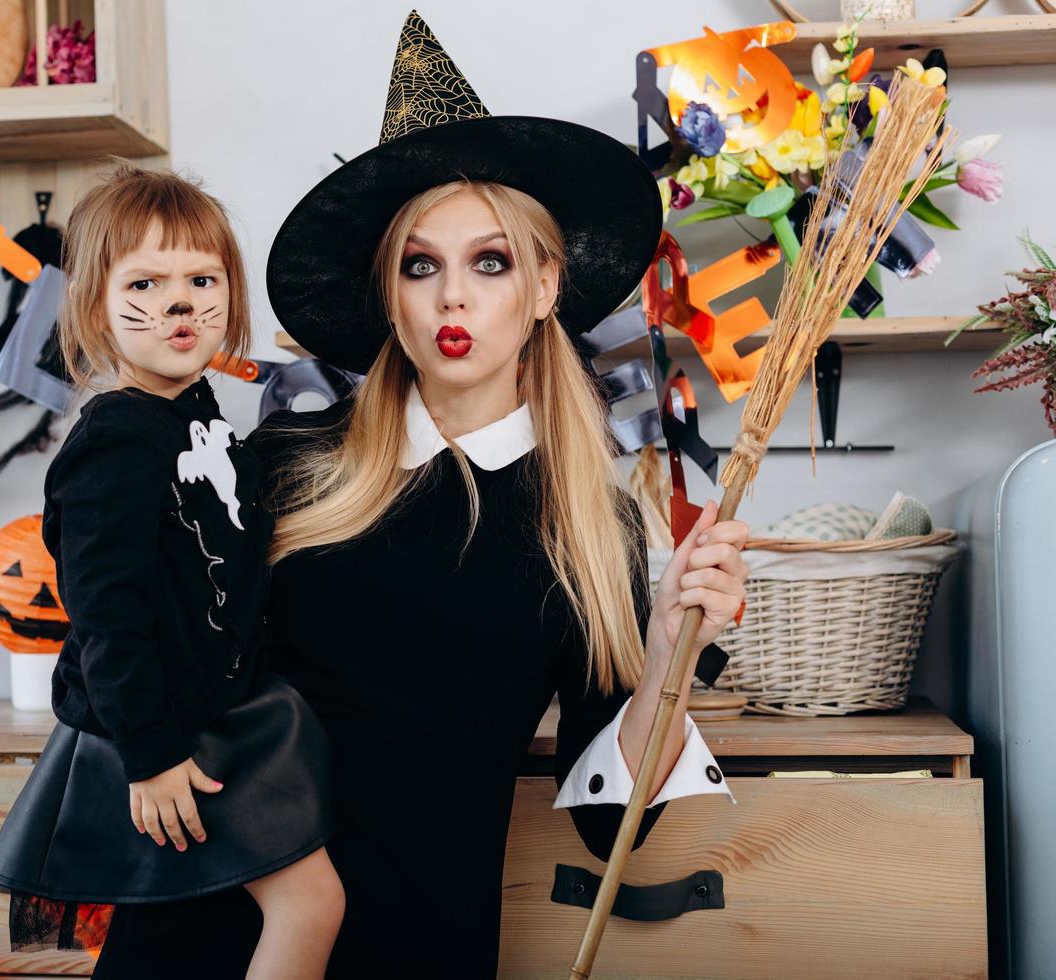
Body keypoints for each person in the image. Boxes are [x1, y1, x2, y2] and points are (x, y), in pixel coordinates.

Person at [89, 14, 750, 979]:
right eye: (419, 265)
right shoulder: (279, 461)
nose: (452, 298)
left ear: (542, 286)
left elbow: (614, 829)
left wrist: (669, 655)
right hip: (203, 919)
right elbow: (131, 615)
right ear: (388, 297)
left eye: (490, 262)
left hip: (416, 938)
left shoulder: (591, 526)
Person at [0, 165, 343, 979]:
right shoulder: (117, 440)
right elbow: (107, 616)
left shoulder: (198, 418)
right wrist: (148, 754)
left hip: (223, 708)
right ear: (96, 307)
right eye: (146, 281)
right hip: (156, 727)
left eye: (202, 279)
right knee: (309, 902)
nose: (180, 303)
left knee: (193, 934)